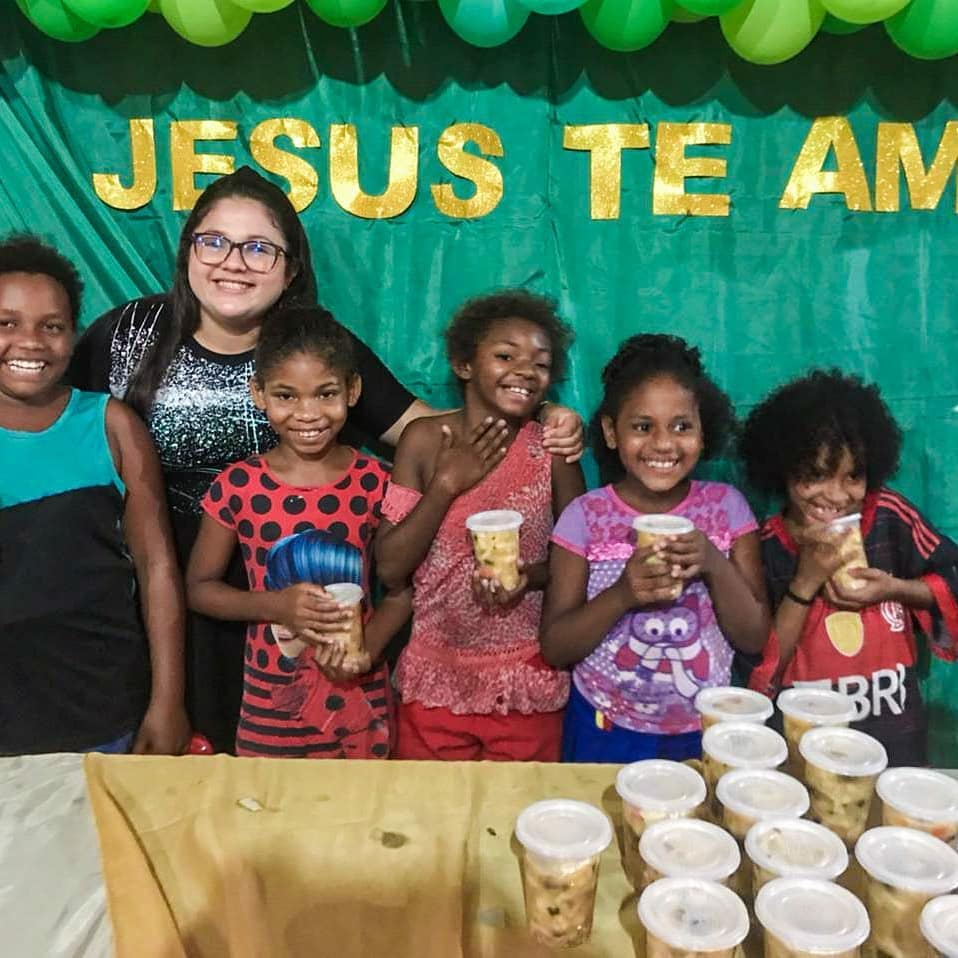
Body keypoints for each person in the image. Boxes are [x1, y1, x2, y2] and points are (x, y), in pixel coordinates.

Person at [69, 166, 583, 752]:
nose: (233, 261)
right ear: (187, 250)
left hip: (313, 601)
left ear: (290, 270)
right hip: (164, 597)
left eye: (259, 248)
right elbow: (59, 418)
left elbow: (434, 430)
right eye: (213, 241)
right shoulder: (129, 332)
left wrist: (539, 416)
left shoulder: (314, 345)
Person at [185, 307, 410, 758]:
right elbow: (199, 589)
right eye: (287, 396)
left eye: (326, 393)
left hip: (361, 704)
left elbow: (403, 593)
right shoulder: (237, 485)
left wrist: (368, 650)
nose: (308, 414)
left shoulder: (378, 481)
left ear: (353, 390)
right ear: (259, 394)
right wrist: (275, 605)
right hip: (272, 710)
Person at [375, 290, 585, 761]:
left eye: (541, 363)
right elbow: (390, 568)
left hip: (524, 681)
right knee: (433, 821)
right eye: (506, 355)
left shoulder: (551, 450)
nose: (525, 371)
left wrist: (525, 577)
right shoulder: (426, 440)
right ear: (464, 364)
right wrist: (446, 485)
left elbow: (580, 560)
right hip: (435, 679)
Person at [0, 235, 189, 755]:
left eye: (52, 326)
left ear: (74, 335)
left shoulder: (111, 426)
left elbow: (157, 569)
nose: (31, 343)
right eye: (7, 323)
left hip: (104, 708)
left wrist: (168, 703)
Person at [540, 334, 769, 763]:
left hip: (708, 731)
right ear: (611, 431)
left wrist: (714, 565)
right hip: (604, 728)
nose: (664, 444)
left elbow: (754, 637)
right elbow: (556, 646)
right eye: (643, 427)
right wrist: (624, 593)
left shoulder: (728, 508)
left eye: (682, 426)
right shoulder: (584, 517)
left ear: (704, 430)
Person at [739, 369, 958, 765]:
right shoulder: (765, 546)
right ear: (783, 469)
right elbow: (758, 673)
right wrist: (804, 583)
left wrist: (895, 589)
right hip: (803, 755)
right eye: (816, 475)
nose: (837, 495)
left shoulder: (890, 518)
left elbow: (952, 579)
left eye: (853, 476)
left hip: (896, 747)